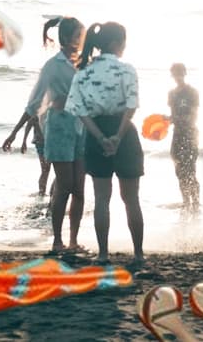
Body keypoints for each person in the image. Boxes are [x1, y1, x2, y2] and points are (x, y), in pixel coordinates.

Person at [65, 22, 145, 265]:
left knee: (102, 198)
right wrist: (117, 138)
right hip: (124, 132)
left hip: (96, 132)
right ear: (115, 44)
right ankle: (138, 254)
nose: (125, 46)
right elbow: (131, 106)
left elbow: (79, 110)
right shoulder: (127, 69)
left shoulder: (83, 72)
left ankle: (102, 254)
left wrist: (100, 137)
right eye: (124, 42)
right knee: (131, 198)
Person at [5, 17, 86, 254]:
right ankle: (57, 240)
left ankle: (73, 240)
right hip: (59, 127)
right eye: (80, 35)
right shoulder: (53, 65)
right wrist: (14, 133)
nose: (83, 40)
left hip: (82, 127)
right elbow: (35, 101)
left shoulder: (86, 62)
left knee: (80, 188)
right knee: (64, 186)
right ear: (68, 37)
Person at [167, 63, 200, 214]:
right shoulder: (172, 93)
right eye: (175, 74)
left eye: (180, 73)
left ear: (185, 73)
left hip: (190, 134)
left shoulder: (192, 92)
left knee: (191, 170)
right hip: (177, 134)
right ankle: (186, 202)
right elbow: (172, 114)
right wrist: (165, 120)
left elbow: (193, 116)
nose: (177, 76)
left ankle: (196, 203)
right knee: (179, 170)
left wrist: (175, 119)